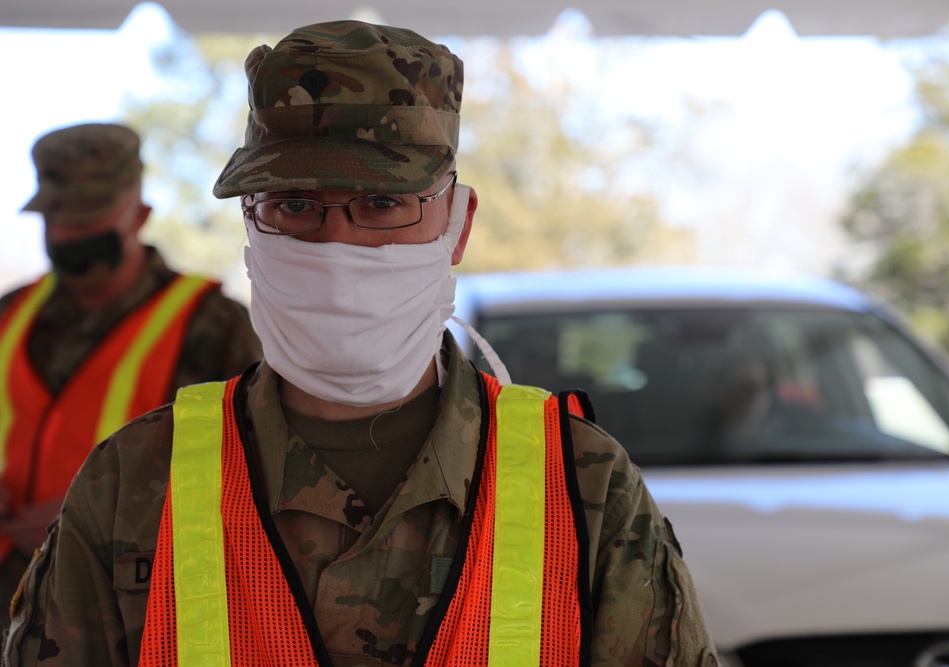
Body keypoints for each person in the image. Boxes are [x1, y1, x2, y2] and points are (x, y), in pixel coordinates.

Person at [3, 21, 718, 667]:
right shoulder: (130, 482)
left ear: (457, 225)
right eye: (295, 205)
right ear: (251, 225)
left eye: (382, 203)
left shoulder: (585, 484)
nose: (337, 243)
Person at [0, 122, 262, 629]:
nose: (67, 235)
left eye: (88, 220)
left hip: (125, 605)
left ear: (139, 214)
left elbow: (248, 472)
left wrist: (99, 512)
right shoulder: (11, 314)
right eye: (56, 218)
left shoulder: (211, 324)